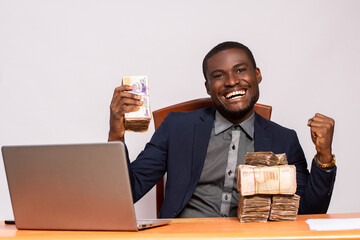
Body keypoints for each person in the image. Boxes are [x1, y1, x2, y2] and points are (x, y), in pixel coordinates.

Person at [108, 41, 336, 218]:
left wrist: (324, 157)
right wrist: (116, 135)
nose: (231, 81)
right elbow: (129, 192)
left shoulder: (284, 139)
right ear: (208, 87)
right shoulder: (177, 127)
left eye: (240, 70)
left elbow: (307, 213)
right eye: (218, 76)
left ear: (257, 75)